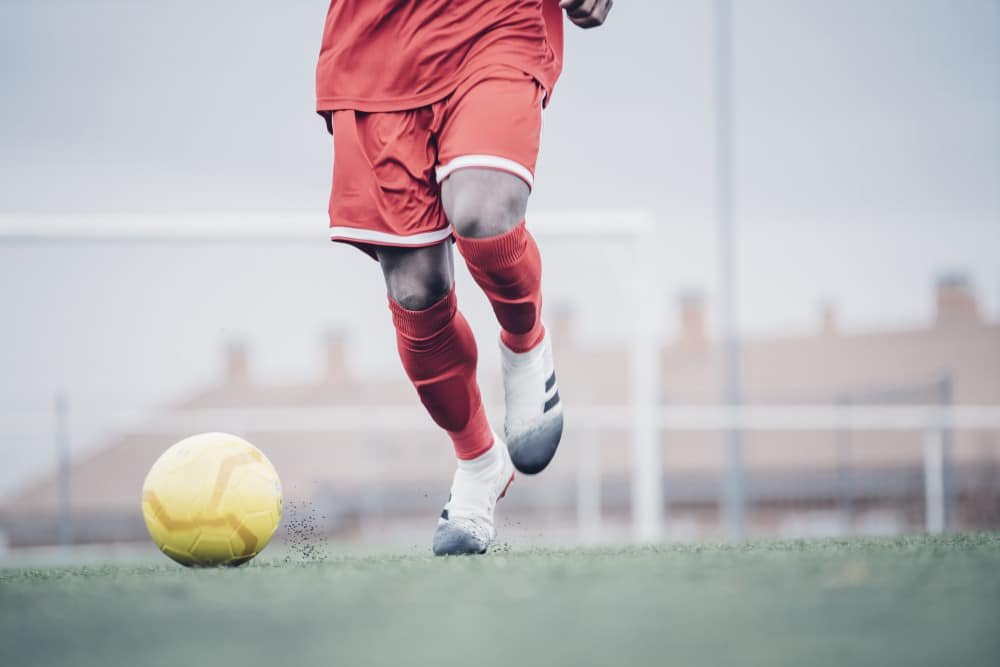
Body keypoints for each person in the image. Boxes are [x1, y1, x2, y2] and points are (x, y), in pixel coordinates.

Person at [315, 0, 613, 555]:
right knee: (414, 286)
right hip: (375, 43)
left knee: (482, 207)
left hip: (494, 20)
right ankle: (478, 460)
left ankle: (525, 347)